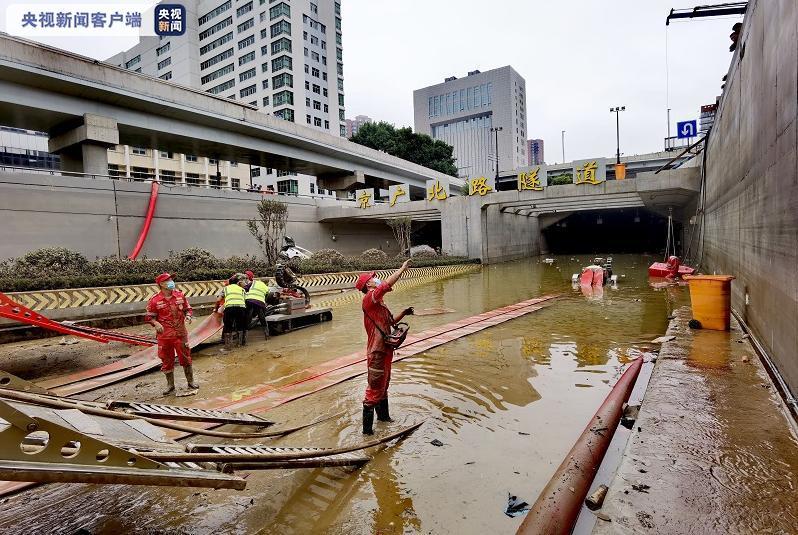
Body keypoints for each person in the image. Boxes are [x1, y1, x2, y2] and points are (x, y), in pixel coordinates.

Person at [355, 259, 414, 435]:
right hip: (377, 353)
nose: (377, 279)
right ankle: (367, 434)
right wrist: (402, 269)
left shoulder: (380, 303)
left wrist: (404, 313)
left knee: (384, 385)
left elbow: (389, 323)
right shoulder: (369, 299)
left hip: (385, 350)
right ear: (368, 285)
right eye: (374, 278)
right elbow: (386, 284)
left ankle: (384, 420)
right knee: (374, 390)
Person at [145, 273, 197, 395]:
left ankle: (190, 382)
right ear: (161, 284)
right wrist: (156, 323)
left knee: (186, 358)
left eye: (172, 280)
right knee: (166, 360)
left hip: (180, 333)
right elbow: (149, 317)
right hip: (165, 336)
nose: (172, 282)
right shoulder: (154, 300)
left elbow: (188, 309)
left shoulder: (180, 295)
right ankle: (170, 385)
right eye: (168, 280)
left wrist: (188, 316)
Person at [219, 273, 248, 350]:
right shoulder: (242, 289)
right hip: (241, 308)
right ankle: (240, 344)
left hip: (229, 308)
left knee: (228, 326)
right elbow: (245, 299)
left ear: (229, 283)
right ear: (237, 282)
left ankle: (228, 347)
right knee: (240, 325)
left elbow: (219, 299)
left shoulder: (226, 288)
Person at [244, 270, 274, 335]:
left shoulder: (254, 282)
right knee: (261, 315)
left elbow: (245, 289)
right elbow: (267, 298)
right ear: (267, 283)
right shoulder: (267, 288)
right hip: (259, 302)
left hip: (249, 300)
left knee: (248, 313)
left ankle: (245, 330)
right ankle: (266, 331)